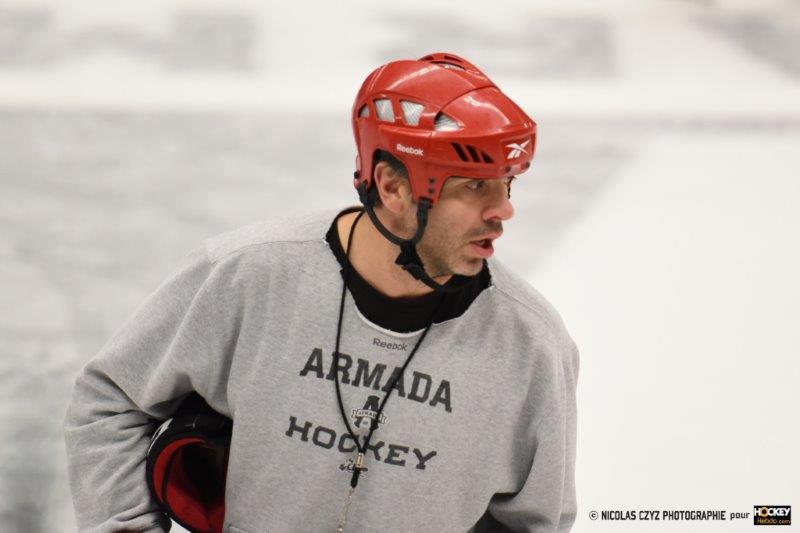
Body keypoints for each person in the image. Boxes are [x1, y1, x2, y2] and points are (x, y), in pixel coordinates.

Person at [64, 52, 579, 532]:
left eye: (507, 183)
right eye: (473, 185)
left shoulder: (530, 347)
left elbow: (537, 522)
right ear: (394, 186)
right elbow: (111, 399)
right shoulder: (249, 277)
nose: (503, 209)